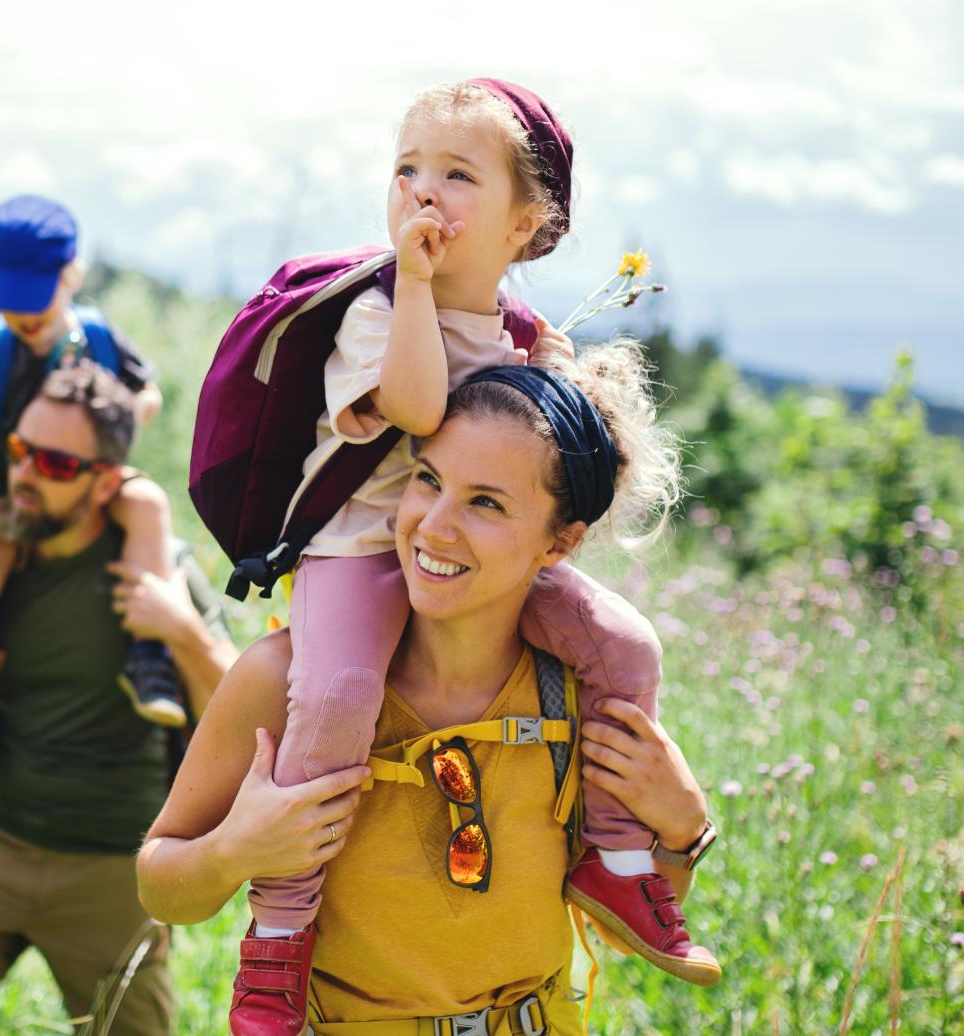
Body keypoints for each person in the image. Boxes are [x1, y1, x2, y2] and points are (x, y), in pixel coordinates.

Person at [226, 78, 719, 1034]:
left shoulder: (524, 336)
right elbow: (416, 409)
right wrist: (413, 280)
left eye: (456, 174)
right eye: (406, 168)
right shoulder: (374, 309)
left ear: (529, 223)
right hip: (362, 555)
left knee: (626, 647)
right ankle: (280, 940)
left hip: (458, 562)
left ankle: (616, 862)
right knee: (332, 698)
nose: (422, 192)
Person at [141, 352, 718, 1034]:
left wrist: (682, 829)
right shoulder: (285, 680)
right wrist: (232, 851)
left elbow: (624, 936)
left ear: (559, 543)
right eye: (427, 479)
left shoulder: (581, 693)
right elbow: (160, 887)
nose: (435, 525)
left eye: (486, 502)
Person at [0, 365, 240, 1036]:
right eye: (19, 451)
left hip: (115, 871)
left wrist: (180, 628)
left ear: (105, 482)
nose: (26, 476)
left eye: (56, 463)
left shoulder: (157, 568)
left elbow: (238, 717)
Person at [0, 194, 187, 806]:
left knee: (148, 506)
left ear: (70, 275)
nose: (22, 313)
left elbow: (145, 395)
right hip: (4, 491)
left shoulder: (97, 339)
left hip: (87, 476)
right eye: (7, 300)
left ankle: (149, 654)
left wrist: (112, 419)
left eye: (33, 294)